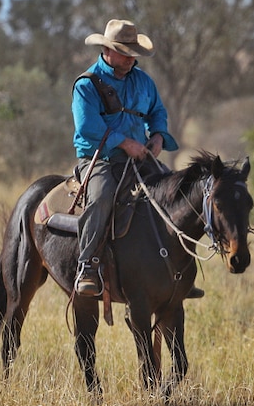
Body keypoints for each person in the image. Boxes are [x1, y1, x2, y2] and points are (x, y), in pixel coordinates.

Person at [72, 19, 203, 298]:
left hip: (140, 158)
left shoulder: (144, 81)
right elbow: (88, 128)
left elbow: (158, 111)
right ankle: (88, 267)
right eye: (125, 51)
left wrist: (157, 135)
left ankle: (180, 273)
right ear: (107, 50)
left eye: (133, 53)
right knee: (101, 197)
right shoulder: (86, 85)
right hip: (100, 159)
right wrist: (124, 143)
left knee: (175, 192)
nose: (131, 58)